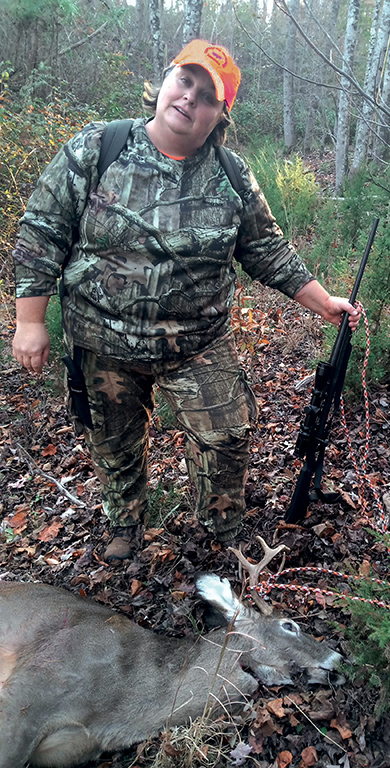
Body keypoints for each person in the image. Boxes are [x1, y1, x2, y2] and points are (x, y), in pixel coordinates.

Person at [12, 40, 359, 561]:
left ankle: (221, 537)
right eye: (184, 81)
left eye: (207, 95)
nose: (189, 98)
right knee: (114, 445)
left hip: (198, 342)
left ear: (220, 115)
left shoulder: (232, 175)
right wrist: (29, 323)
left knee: (227, 438)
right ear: (165, 82)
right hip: (103, 341)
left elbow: (265, 248)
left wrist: (322, 301)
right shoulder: (97, 148)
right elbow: (42, 232)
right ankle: (126, 527)